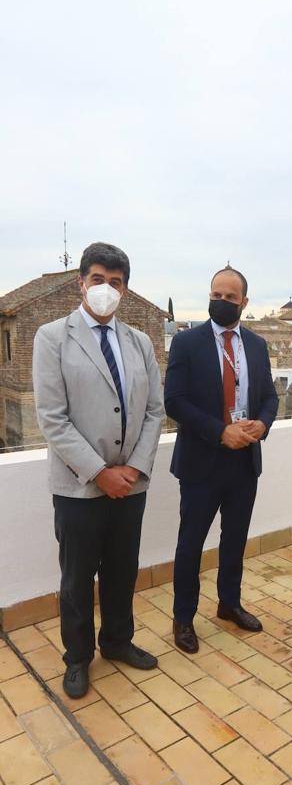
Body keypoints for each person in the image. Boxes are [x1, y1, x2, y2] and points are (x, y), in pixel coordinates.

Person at [32, 242, 164, 699]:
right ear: (81, 282)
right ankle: (77, 658)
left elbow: (153, 411)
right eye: (98, 279)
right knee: (76, 577)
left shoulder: (139, 341)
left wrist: (134, 467)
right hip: (78, 487)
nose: (106, 288)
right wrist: (99, 472)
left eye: (116, 282)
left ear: (125, 288)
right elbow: (52, 418)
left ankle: (117, 641)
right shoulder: (52, 337)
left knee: (123, 569)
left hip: (131, 483)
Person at [164, 265, 279, 653]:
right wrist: (220, 431)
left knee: (234, 540)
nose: (222, 302)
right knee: (190, 544)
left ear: (244, 302)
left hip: (244, 461)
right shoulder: (186, 343)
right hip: (201, 463)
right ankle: (183, 617)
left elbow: (269, 397)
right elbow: (174, 401)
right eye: (217, 295)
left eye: (230, 297)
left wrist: (262, 424)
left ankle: (229, 604)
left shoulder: (258, 346)